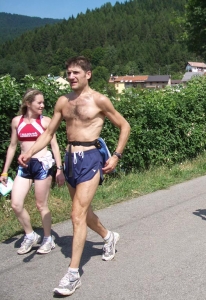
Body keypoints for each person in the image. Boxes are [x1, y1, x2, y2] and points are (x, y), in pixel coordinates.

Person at [18, 56, 131, 296]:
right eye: (68, 72)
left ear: (88, 74)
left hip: (90, 159)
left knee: (76, 215)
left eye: (76, 72)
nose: (71, 77)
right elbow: (49, 133)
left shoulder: (99, 100)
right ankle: (109, 237)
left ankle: (72, 274)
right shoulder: (63, 102)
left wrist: (116, 156)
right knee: (84, 213)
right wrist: (30, 152)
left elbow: (124, 126)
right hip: (70, 161)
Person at [0, 89, 65, 255]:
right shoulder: (17, 122)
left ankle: (48, 238)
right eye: (39, 102)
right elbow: (13, 146)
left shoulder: (46, 122)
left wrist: (59, 169)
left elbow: (55, 146)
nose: (43, 105)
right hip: (24, 167)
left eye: (43, 102)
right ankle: (30, 235)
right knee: (16, 204)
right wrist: (5, 171)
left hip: (42, 165)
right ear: (28, 103)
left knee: (40, 204)